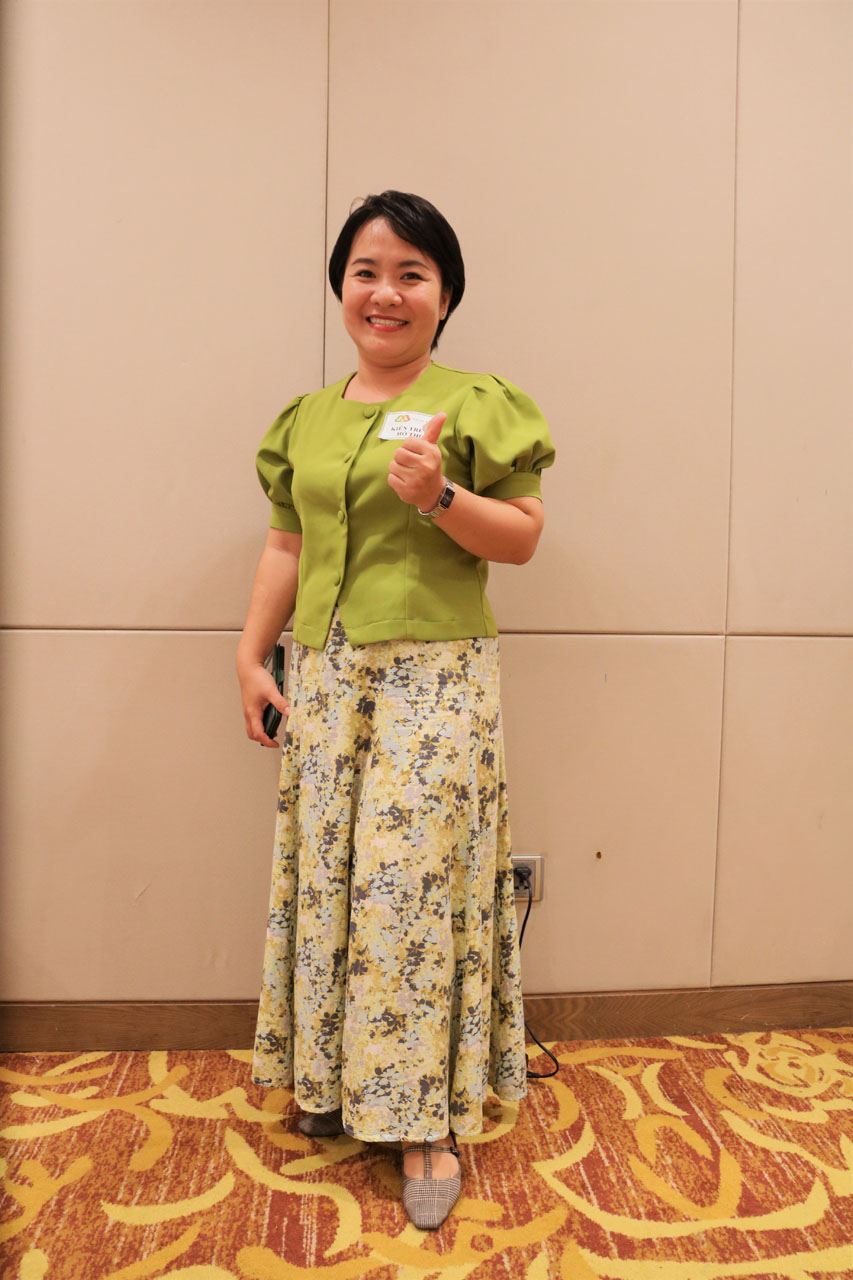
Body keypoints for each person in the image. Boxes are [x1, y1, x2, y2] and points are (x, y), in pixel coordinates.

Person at [236, 190, 556, 1230]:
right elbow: (286, 546)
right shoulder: (306, 417)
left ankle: (425, 1123)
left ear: (445, 295)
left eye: (411, 274)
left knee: (411, 891)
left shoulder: (478, 401)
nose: (386, 292)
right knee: (331, 874)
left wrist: (439, 498)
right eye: (366, 272)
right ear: (340, 288)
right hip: (328, 676)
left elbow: (523, 536)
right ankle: (339, 1082)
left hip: (435, 676)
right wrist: (250, 654)